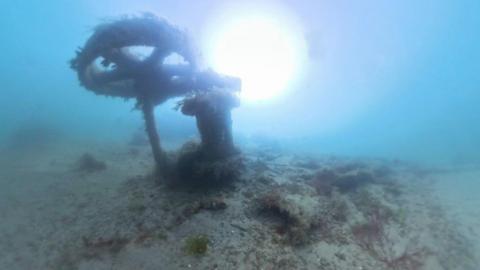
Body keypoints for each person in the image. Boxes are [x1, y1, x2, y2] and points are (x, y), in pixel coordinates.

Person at [180, 89, 240, 160]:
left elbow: (185, 110)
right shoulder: (220, 102)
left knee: (216, 141)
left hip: (217, 149)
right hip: (220, 149)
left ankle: (219, 148)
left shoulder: (219, 103)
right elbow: (185, 110)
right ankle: (222, 148)